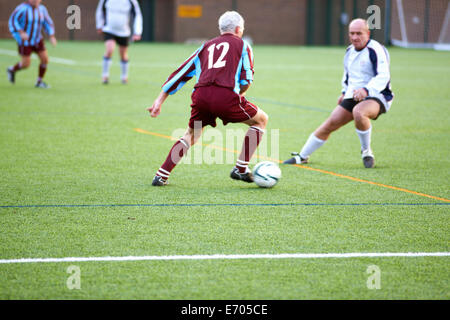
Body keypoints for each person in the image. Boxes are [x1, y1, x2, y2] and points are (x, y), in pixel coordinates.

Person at [147, 11, 268, 186]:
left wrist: (159, 100)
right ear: (238, 29)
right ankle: (241, 169)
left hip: (201, 97)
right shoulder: (243, 45)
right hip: (226, 96)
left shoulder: (205, 47)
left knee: (191, 134)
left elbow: (180, 73)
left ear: (221, 29)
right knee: (261, 120)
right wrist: (238, 96)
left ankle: (161, 175)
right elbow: (247, 79)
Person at [284, 18, 393, 168]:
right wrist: (344, 92)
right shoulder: (349, 51)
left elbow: (383, 76)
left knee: (359, 112)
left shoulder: (375, 49)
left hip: (378, 95)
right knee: (330, 123)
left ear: (368, 33)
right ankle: (302, 156)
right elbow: (347, 76)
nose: (355, 37)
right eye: (351, 33)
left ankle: (366, 151)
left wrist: (366, 90)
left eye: (359, 33)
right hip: (353, 94)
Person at [7, 0, 57, 88]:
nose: (35, 0)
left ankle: (39, 82)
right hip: (25, 41)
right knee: (26, 64)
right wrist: (21, 32)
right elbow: (13, 21)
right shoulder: (22, 9)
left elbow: (47, 22)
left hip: (37, 39)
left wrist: (51, 35)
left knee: (45, 59)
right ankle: (11, 70)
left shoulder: (42, 9)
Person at [96, 0, 143, 84]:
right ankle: (105, 76)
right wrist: (99, 25)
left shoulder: (131, 1)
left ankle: (124, 77)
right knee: (109, 50)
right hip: (109, 29)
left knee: (123, 54)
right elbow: (100, 11)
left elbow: (137, 15)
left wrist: (137, 32)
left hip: (124, 32)